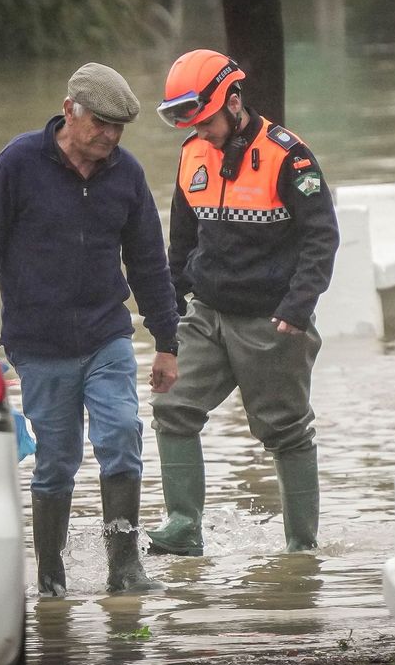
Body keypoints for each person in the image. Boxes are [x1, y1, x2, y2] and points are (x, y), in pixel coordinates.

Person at [0, 62, 180, 597]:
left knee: (122, 436)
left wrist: (168, 343)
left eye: (117, 127)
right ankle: (51, 575)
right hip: (37, 345)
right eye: (99, 123)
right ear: (68, 111)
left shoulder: (125, 174)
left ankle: (124, 567)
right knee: (56, 462)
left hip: (108, 335)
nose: (108, 135)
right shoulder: (17, 164)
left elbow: (149, 262)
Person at [144, 49, 339, 556]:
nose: (199, 129)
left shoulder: (288, 155)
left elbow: (322, 237)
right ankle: (183, 525)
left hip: (272, 319)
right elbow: (181, 243)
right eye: (189, 121)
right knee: (173, 408)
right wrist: (170, 313)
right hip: (205, 313)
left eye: (204, 118)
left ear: (233, 101)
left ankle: (302, 549)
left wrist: (297, 308)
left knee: (285, 431)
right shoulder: (192, 154)